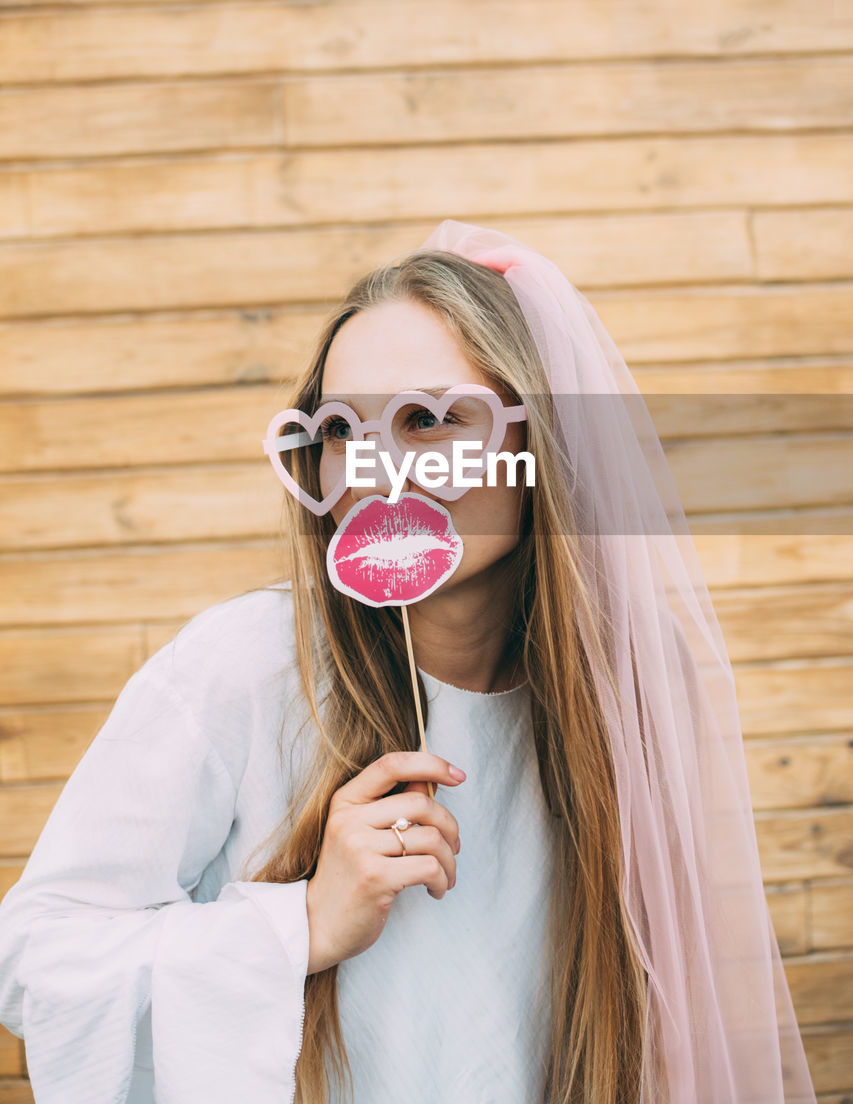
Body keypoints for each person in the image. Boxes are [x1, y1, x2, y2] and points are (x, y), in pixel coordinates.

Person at [0, 221, 816, 1104]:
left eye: (428, 420)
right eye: (342, 430)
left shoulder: (633, 687)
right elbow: (33, 956)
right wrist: (300, 926)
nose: (377, 470)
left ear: (537, 444)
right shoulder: (245, 667)